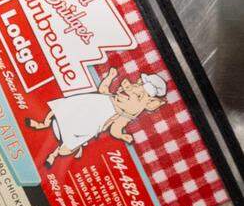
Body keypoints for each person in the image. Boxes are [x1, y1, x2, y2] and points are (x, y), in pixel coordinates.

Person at [26, 68, 167, 167]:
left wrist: (123, 136)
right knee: (63, 108)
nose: (128, 90)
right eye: (134, 86)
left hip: (89, 124)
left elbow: (115, 130)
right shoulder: (111, 97)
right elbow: (103, 89)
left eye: (138, 95)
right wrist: (110, 77)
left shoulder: (122, 116)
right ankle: (42, 124)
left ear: (149, 104)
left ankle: (53, 155)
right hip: (85, 105)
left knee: (70, 142)